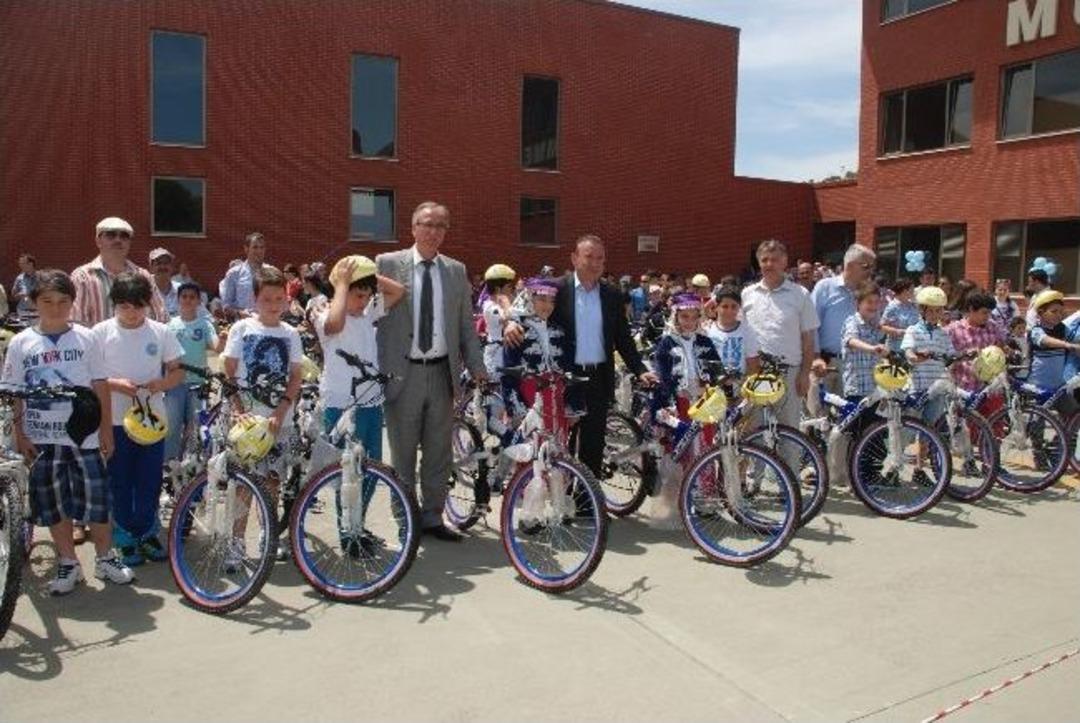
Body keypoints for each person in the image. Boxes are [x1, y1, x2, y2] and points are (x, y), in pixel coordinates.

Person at [0, 269, 135, 593]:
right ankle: (68, 562)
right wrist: (21, 434)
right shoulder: (21, 343)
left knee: (97, 501)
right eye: (47, 301)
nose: (56, 307)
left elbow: (99, 384)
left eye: (63, 301)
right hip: (43, 437)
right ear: (34, 302)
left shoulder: (86, 338)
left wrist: (106, 430)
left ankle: (105, 558)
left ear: (72, 304)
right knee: (54, 502)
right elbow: (16, 393)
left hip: (83, 435)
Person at [376, 201, 487, 541]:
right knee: (403, 452)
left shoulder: (455, 270)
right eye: (427, 224)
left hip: (442, 373)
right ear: (412, 228)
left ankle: (433, 517)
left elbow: (466, 326)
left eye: (441, 226)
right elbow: (370, 315)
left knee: (438, 451)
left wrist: (478, 366)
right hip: (402, 372)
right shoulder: (388, 264)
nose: (434, 231)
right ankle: (405, 518)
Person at [505, 235, 656, 484]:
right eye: (588, 257)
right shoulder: (555, 288)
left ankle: (588, 506)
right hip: (561, 377)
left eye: (600, 258)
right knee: (555, 441)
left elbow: (623, 338)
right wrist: (510, 322)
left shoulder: (612, 295)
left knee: (592, 444)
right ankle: (549, 500)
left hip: (597, 377)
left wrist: (639, 369)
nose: (594, 263)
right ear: (574, 258)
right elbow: (521, 308)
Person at [314, 255, 404, 557]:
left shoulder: (367, 315)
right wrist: (341, 284)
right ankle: (346, 533)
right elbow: (334, 324)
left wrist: (368, 274)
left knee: (370, 469)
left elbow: (398, 291)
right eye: (358, 294)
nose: (363, 301)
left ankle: (358, 525)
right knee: (346, 472)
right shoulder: (323, 309)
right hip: (340, 403)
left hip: (369, 401)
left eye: (367, 295)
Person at [94, 272, 184, 566]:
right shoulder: (100, 333)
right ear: (114, 305)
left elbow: (177, 371)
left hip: (152, 422)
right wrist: (116, 384)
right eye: (124, 307)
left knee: (149, 479)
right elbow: (90, 379)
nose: (132, 314)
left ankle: (146, 531)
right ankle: (123, 536)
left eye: (138, 306)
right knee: (120, 479)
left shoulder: (161, 331)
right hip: (116, 422)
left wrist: (161, 384)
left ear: (148, 304)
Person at [222, 265, 304, 559]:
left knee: (272, 480)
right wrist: (238, 410)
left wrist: (282, 410)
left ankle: (268, 534)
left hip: (277, 421)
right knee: (243, 483)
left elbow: (296, 375)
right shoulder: (242, 329)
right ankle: (236, 541)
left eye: (278, 299)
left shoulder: (291, 333)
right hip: (247, 421)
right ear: (255, 300)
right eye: (266, 299)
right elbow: (228, 372)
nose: (272, 305)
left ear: (285, 300)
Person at [741, 239, 819, 472]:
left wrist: (805, 374)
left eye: (774, 259)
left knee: (789, 434)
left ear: (785, 262)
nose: (769, 264)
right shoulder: (747, 294)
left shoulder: (800, 295)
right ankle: (749, 483)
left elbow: (808, 339)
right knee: (750, 431)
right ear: (758, 262)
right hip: (755, 374)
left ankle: (789, 485)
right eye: (764, 259)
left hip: (789, 373)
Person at [164, 283, 224, 470]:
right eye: (184, 296)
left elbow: (216, 347)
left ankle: (195, 467)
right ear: (178, 299)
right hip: (174, 384)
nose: (188, 300)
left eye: (192, 297)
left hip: (198, 384)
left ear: (199, 301)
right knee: (172, 426)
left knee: (196, 427)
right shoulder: (170, 326)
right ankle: (170, 466)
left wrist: (222, 339)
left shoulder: (204, 325)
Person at [70, 217, 167, 327]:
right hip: (99, 344)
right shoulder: (82, 277)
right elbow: (77, 324)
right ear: (98, 241)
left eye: (124, 236)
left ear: (129, 243)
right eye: (111, 235)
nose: (118, 240)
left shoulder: (144, 276)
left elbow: (161, 317)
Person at [811, 243, 876, 369]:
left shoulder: (868, 292)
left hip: (860, 365)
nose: (870, 271)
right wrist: (816, 357)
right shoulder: (825, 287)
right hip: (828, 364)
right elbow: (811, 325)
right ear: (850, 265)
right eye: (866, 266)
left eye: (872, 267)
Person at [1027, 290, 1080, 416]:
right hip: (1038, 387)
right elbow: (1045, 341)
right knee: (1036, 424)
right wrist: (1067, 345)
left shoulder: (1063, 329)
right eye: (1054, 311)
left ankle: (1062, 436)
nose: (1058, 315)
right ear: (1040, 313)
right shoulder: (1036, 330)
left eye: (1061, 312)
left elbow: (1075, 340)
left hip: (1058, 386)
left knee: (1074, 414)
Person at [706, 285, 760, 376]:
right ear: (716, 307)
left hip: (739, 386)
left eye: (733, 306)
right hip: (712, 387)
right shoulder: (707, 331)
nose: (729, 311)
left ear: (739, 307)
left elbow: (753, 364)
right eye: (725, 306)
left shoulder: (747, 331)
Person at [480, 264, 517, 377]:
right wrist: (506, 303)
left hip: (506, 354)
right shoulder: (490, 307)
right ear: (497, 289)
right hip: (496, 356)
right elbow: (509, 319)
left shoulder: (499, 305)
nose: (512, 290)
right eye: (509, 286)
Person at [219, 232, 267, 318]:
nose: (259, 251)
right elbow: (226, 306)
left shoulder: (272, 272)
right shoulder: (234, 273)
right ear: (246, 249)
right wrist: (240, 313)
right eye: (255, 247)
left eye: (262, 247)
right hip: (244, 325)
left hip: (267, 324)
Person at [880, 278, 919, 353]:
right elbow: (882, 326)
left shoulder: (913, 305)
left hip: (912, 347)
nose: (913, 292)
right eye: (911, 290)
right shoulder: (892, 307)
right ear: (904, 291)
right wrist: (897, 331)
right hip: (896, 348)